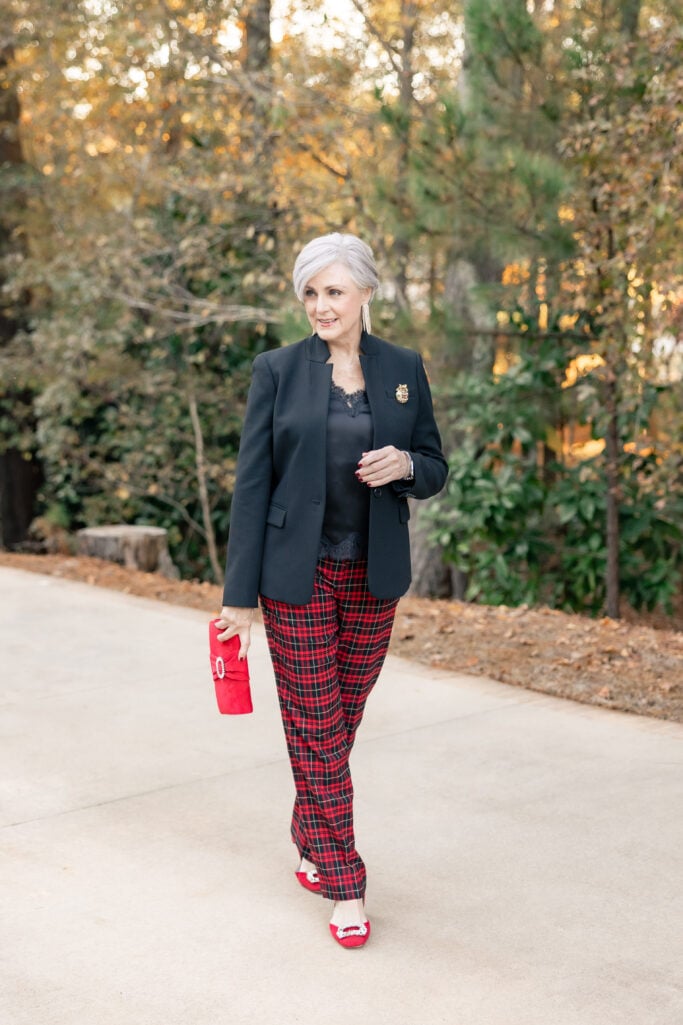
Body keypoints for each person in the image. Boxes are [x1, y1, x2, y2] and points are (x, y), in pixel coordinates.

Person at [216, 232, 448, 948]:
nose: (320, 305)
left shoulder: (403, 369)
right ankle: (345, 880)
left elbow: (435, 465)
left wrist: (405, 463)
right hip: (296, 573)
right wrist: (237, 596)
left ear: (365, 294)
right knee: (318, 724)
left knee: (335, 720)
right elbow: (252, 485)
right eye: (310, 292)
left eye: (334, 291)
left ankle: (306, 827)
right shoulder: (276, 370)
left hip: (372, 573)